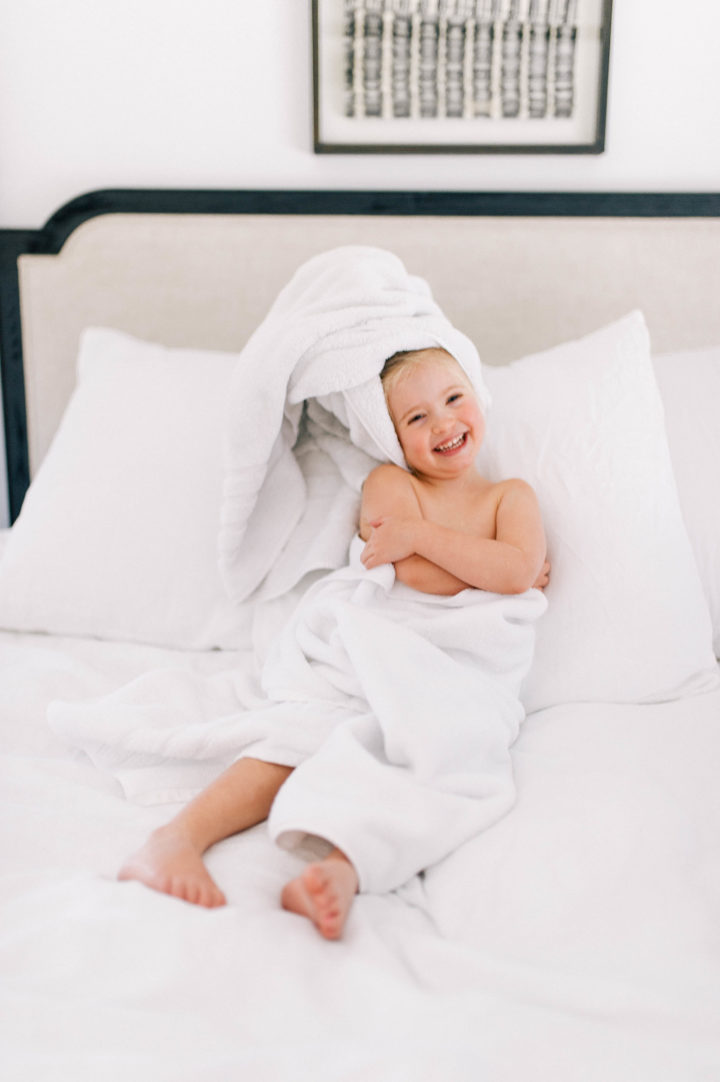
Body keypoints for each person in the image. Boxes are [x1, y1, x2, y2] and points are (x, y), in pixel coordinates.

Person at [119, 347, 549, 939]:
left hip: (458, 668)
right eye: (416, 418)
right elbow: (412, 576)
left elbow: (514, 575)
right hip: (378, 644)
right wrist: (493, 565)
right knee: (311, 733)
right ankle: (174, 840)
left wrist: (425, 538)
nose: (443, 423)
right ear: (393, 436)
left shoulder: (511, 496)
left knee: (448, 757)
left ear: (477, 399)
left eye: (453, 399)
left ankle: (342, 869)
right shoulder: (391, 482)